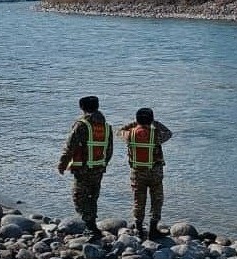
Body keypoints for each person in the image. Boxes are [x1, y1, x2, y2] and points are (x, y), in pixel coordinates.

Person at [57, 95, 113, 242]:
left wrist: (62, 164)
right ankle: (92, 224)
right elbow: (109, 150)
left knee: (79, 198)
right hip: (99, 168)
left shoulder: (81, 125)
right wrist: (103, 164)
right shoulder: (106, 127)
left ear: (82, 107)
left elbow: (70, 147)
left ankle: (90, 226)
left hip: (82, 169)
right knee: (93, 197)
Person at [118, 107, 172, 240]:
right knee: (156, 201)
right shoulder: (156, 135)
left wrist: (134, 123)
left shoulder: (130, 134)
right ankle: (153, 230)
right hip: (155, 173)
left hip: (137, 172)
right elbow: (169, 133)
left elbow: (119, 131)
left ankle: (139, 229)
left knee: (138, 201)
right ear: (151, 119)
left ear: (137, 119)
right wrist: (155, 123)